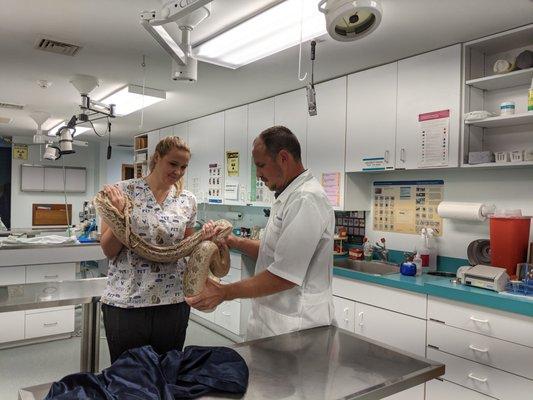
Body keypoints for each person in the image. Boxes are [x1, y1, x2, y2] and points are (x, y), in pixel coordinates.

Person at [186, 126, 335, 340]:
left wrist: (224, 293)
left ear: (283, 158)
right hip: (273, 321)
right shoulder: (288, 196)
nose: (258, 175)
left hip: (296, 326)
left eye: (261, 165)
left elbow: (285, 275)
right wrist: (232, 240)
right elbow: (272, 252)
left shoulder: (306, 200)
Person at [99, 136, 219, 363]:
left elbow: (187, 248)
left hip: (172, 303)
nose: (178, 171)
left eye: (184, 167)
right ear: (157, 158)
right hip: (127, 303)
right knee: (129, 378)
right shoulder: (120, 192)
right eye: (173, 164)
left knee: (167, 372)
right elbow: (109, 250)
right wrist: (120, 213)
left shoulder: (187, 200)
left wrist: (207, 239)